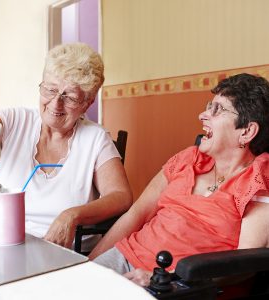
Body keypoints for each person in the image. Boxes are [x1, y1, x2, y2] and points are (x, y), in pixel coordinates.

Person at [90, 73, 269, 286]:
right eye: (209, 106)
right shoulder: (188, 159)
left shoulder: (258, 180)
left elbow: (244, 263)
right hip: (125, 255)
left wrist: (167, 279)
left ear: (247, 131)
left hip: (179, 285)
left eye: (217, 109)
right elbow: (137, 213)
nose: (202, 115)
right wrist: (88, 263)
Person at [0, 43, 133, 251]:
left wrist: (73, 215)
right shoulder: (14, 120)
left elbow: (121, 195)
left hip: (60, 252)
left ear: (86, 103)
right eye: (50, 90)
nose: (55, 104)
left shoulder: (95, 138)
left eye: (69, 97)